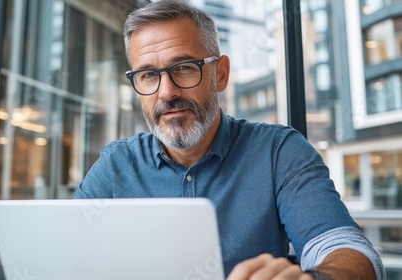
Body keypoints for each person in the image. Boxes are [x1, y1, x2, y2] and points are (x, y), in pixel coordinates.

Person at [75, 0, 385, 279]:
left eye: (184, 68)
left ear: (220, 74)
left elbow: (345, 248)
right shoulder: (115, 165)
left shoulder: (278, 152)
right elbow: (69, 252)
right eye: (148, 75)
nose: (167, 92)